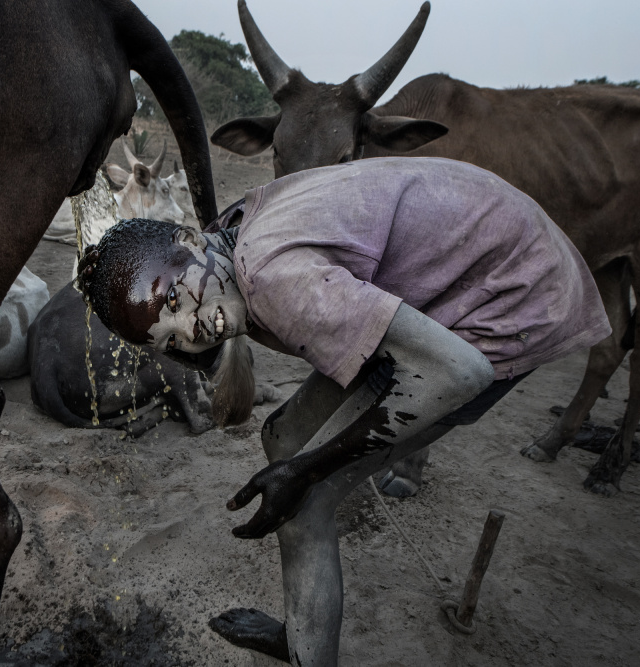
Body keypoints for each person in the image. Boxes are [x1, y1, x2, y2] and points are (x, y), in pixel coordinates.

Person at [77, 157, 611, 665]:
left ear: (187, 239)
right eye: (168, 339)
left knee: (305, 497)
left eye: (173, 301)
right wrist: (294, 459)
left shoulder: (275, 278)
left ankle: (312, 655)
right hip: (474, 252)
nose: (188, 331)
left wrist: (309, 469)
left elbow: (461, 373)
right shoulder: (227, 243)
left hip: (505, 297)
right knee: (283, 438)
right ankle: (303, 631)